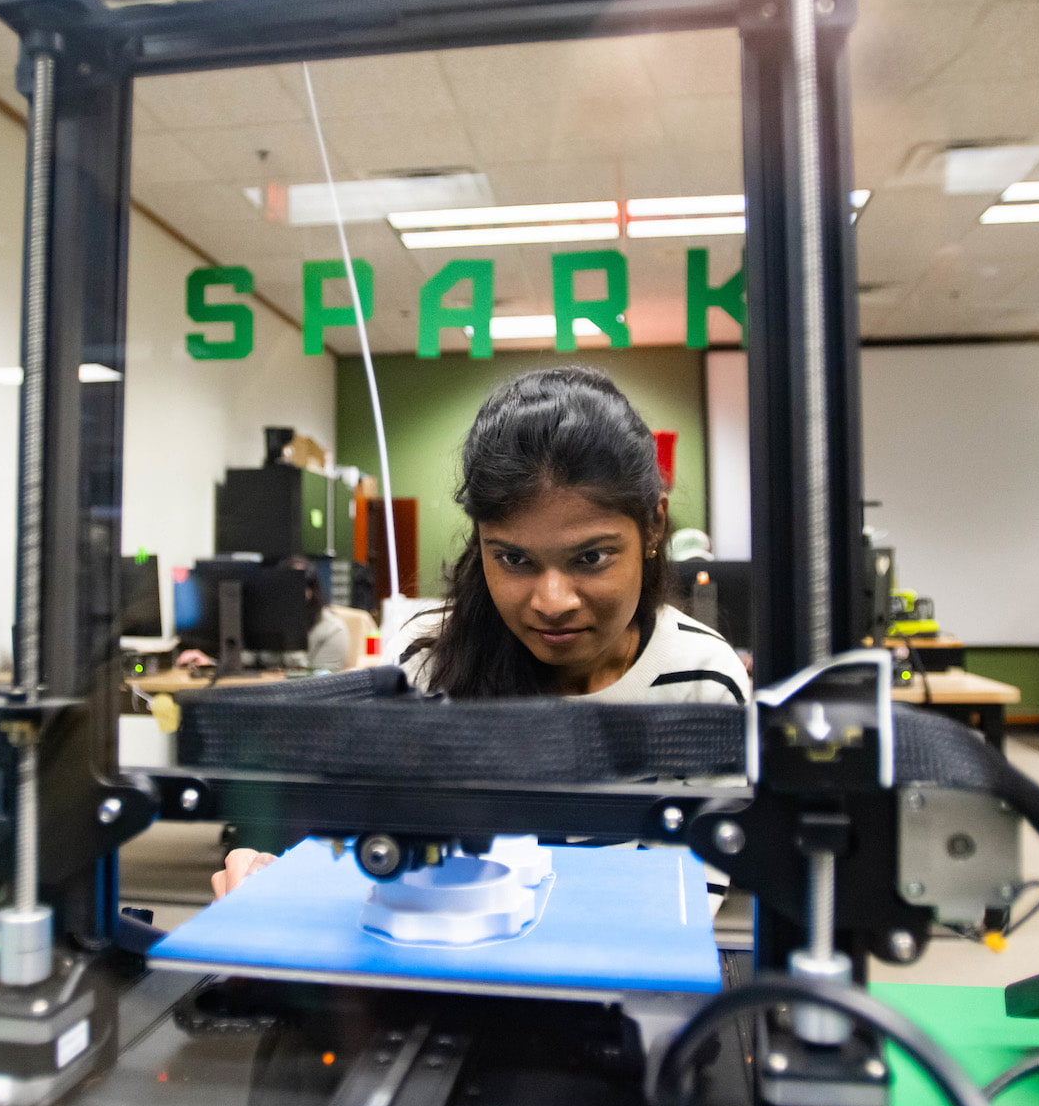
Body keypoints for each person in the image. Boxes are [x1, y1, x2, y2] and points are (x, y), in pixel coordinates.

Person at [210, 366, 748, 896]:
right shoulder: (425, 663)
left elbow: (679, 912)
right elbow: (370, 862)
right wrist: (276, 874)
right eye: (514, 558)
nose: (552, 603)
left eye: (591, 557)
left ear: (653, 525)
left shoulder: (701, 681)